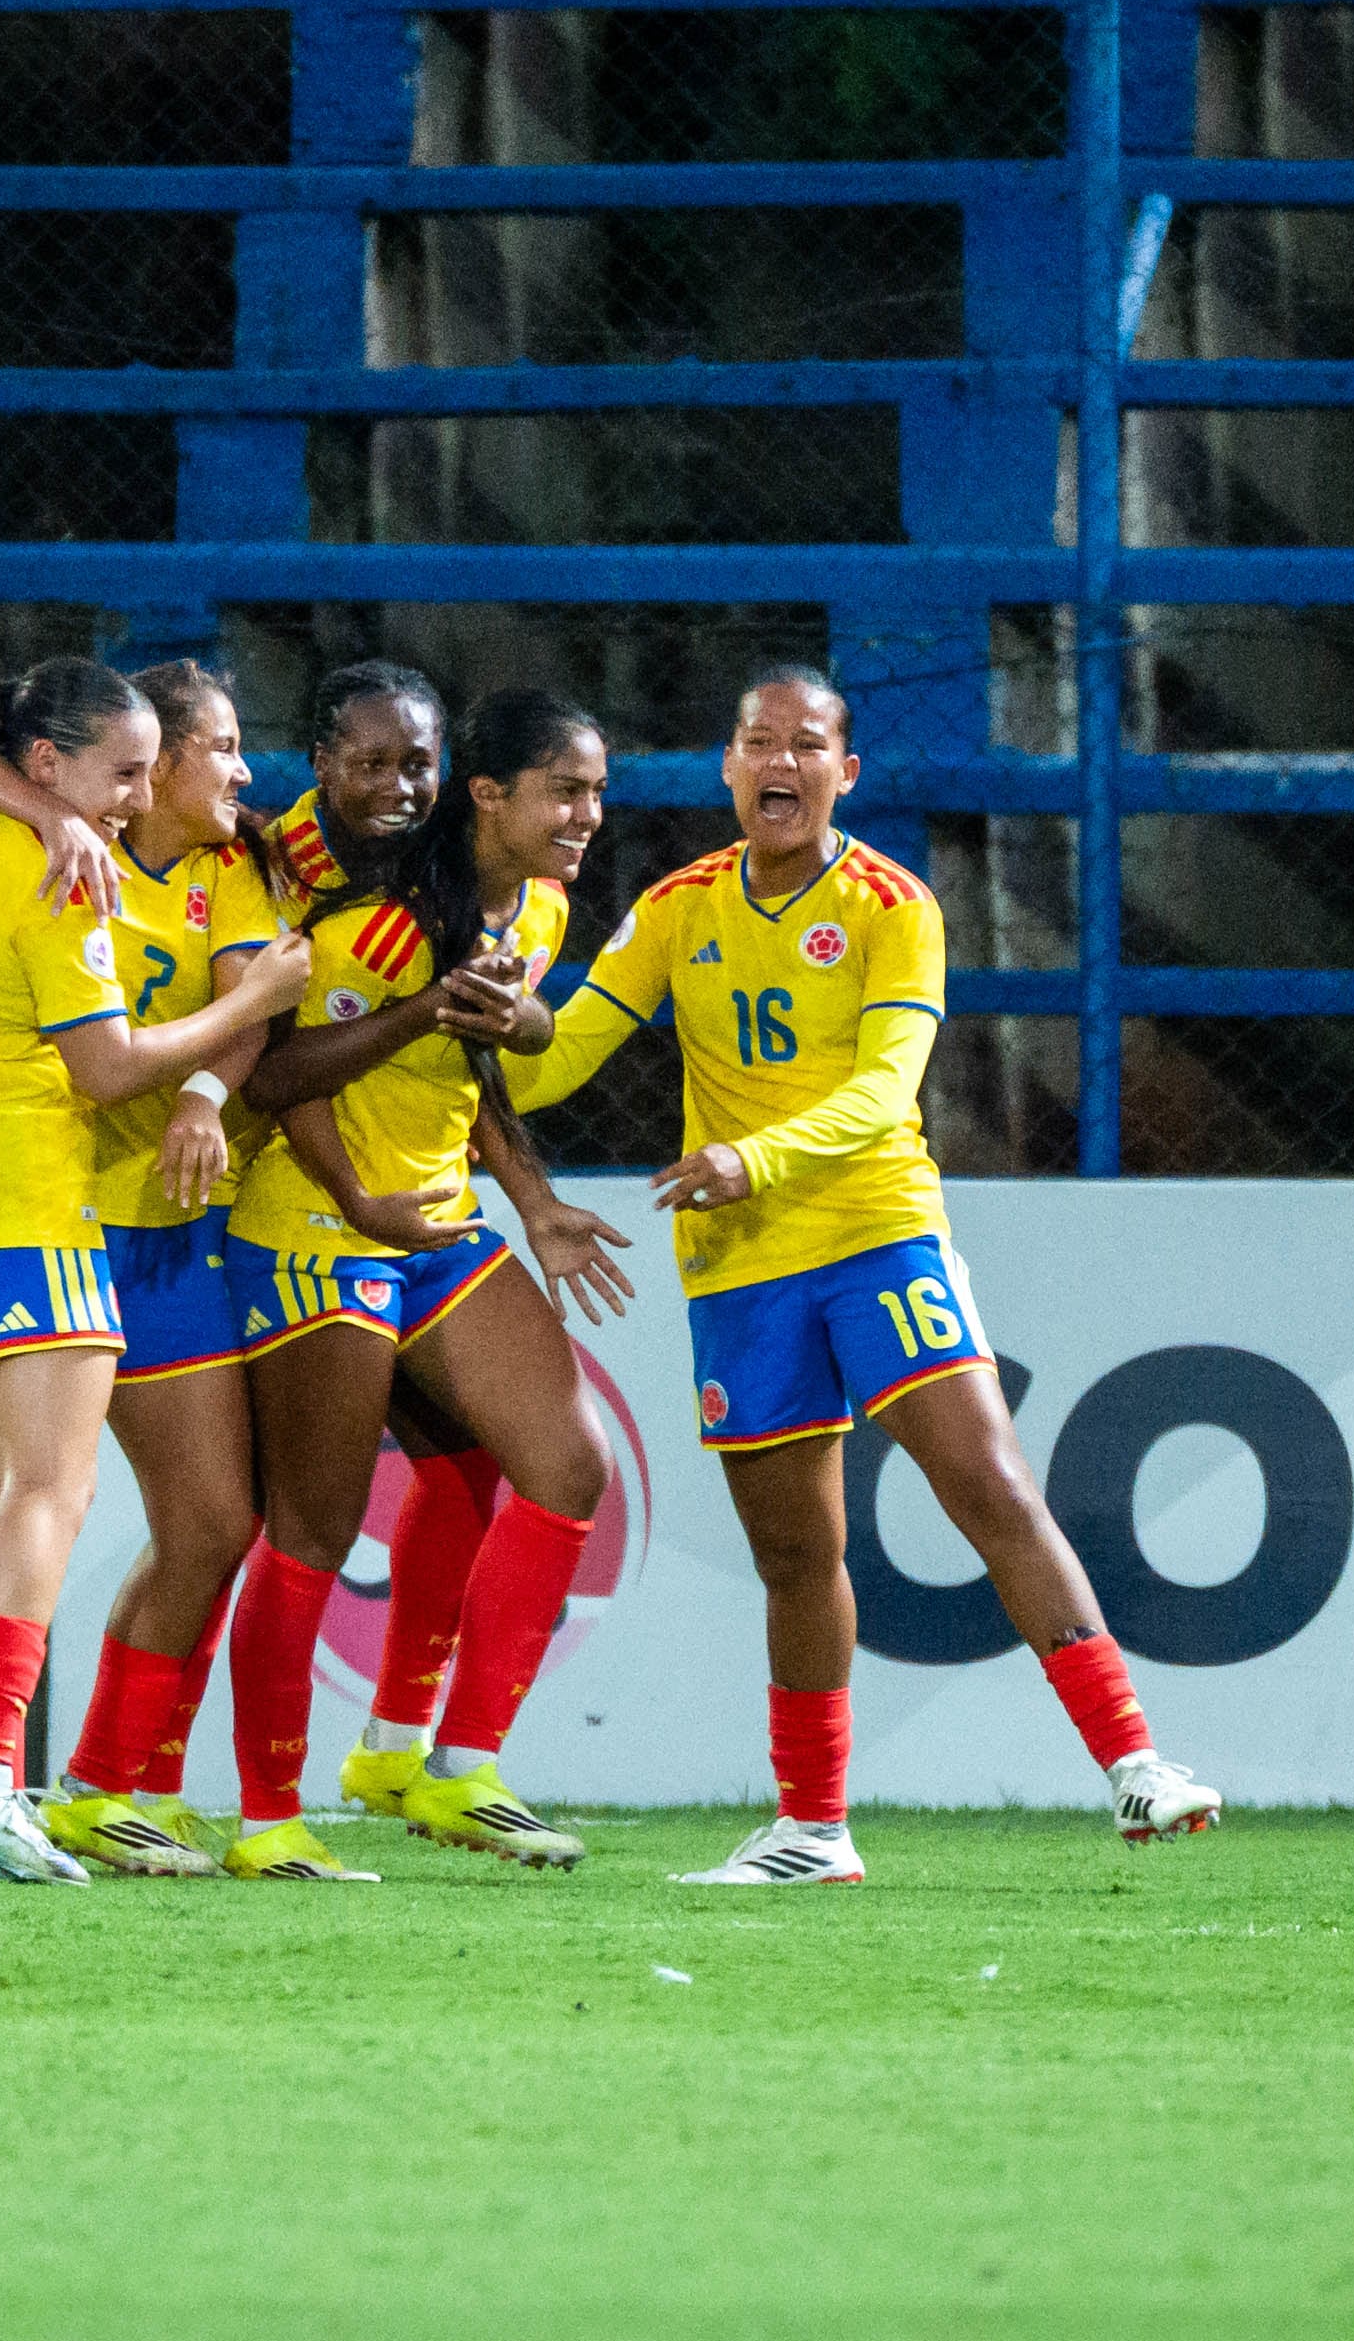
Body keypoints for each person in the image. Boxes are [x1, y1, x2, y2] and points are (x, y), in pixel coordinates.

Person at [496, 670, 1225, 1883]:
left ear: (846, 772)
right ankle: (813, 1829)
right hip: (740, 1266)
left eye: (806, 744)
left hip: (876, 1232)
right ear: (728, 767)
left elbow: (887, 1092)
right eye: (757, 742)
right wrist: (476, 1027)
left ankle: (1135, 1765)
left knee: (988, 1483)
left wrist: (752, 1157)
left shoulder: (894, 905)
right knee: (796, 1557)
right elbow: (558, 1059)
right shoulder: (677, 906)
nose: (779, 763)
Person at [0, 660, 626, 1878]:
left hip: (388, 1217)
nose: (398, 785)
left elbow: (471, 1051)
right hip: (249, 1217)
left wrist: (535, 1177)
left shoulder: (473, 893)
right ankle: (123, 1793)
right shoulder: (257, 857)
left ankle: (423, 1758)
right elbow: (276, 1060)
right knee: (222, 1521)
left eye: (417, 763)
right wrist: (324, 1156)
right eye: (369, 761)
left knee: (541, 1465)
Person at [0, 658, 314, 1885]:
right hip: (15, 1204)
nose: (135, 798)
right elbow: (106, 1071)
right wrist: (252, 1003)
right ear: (48, 762)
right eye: (121, 773)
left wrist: (54, 809)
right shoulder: (62, 873)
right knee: (48, 1492)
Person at [224, 688, 626, 1872]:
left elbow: (475, 1064)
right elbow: (275, 1079)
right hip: (320, 1226)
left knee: (566, 1465)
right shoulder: (375, 917)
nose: (588, 815)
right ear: (489, 795)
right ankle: (268, 1820)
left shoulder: (539, 905)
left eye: (597, 793)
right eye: (566, 791)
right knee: (312, 1527)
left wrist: (535, 1202)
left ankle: (446, 1765)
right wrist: (361, 1193)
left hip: (437, 1225)